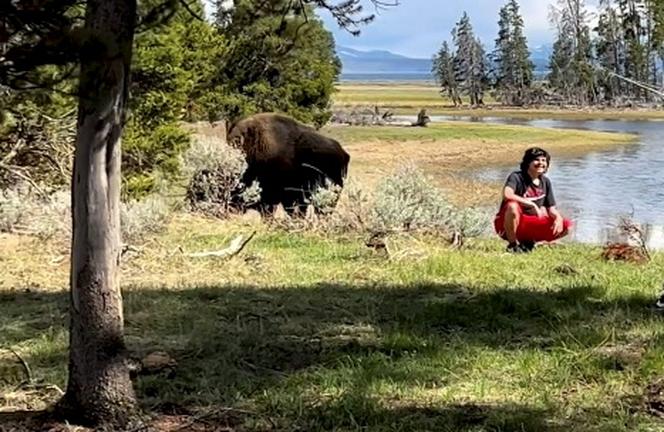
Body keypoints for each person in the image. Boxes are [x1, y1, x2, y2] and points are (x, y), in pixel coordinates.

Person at [494, 147, 573, 253]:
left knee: (567, 226)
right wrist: (531, 204)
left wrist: (558, 217)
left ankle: (530, 243)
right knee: (512, 206)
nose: (540, 163)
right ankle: (513, 245)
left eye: (544, 160)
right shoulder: (517, 177)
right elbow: (507, 194)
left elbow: (551, 209)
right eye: (536, 160)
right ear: (528, 162)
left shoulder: (545, 182)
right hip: (506, 224)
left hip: (530, 223)